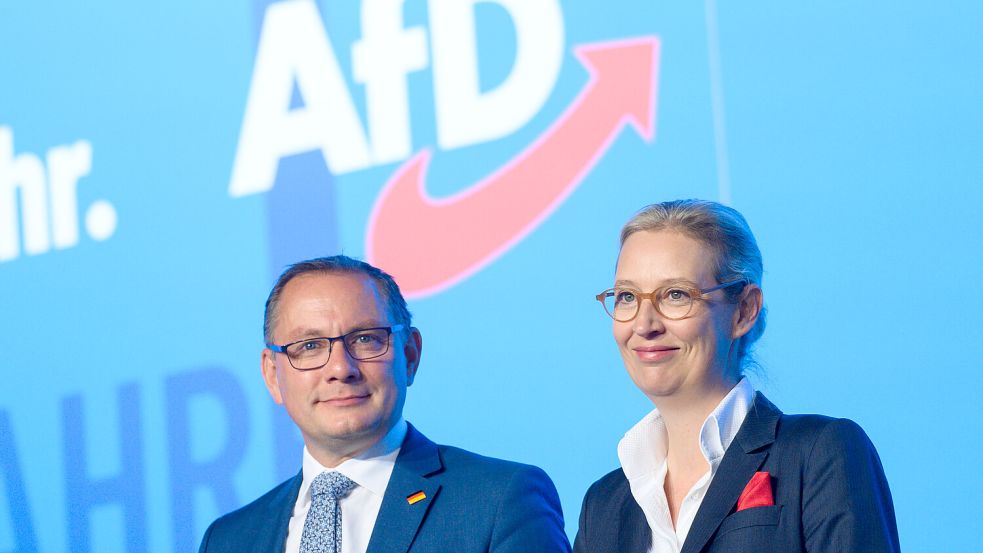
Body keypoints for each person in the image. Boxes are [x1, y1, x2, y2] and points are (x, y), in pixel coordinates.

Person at [573, 200, 899, 553]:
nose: (643, 324)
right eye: (626, 296)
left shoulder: (819, 453)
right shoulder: (604, 505)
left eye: (676, 294)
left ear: (744, 310)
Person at [199, 255, 570, 553]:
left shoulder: (498, 501)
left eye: (365, 339)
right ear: (271, 374)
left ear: (410, 355)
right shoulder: (229, 539)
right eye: (309, 347)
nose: (341, 369)